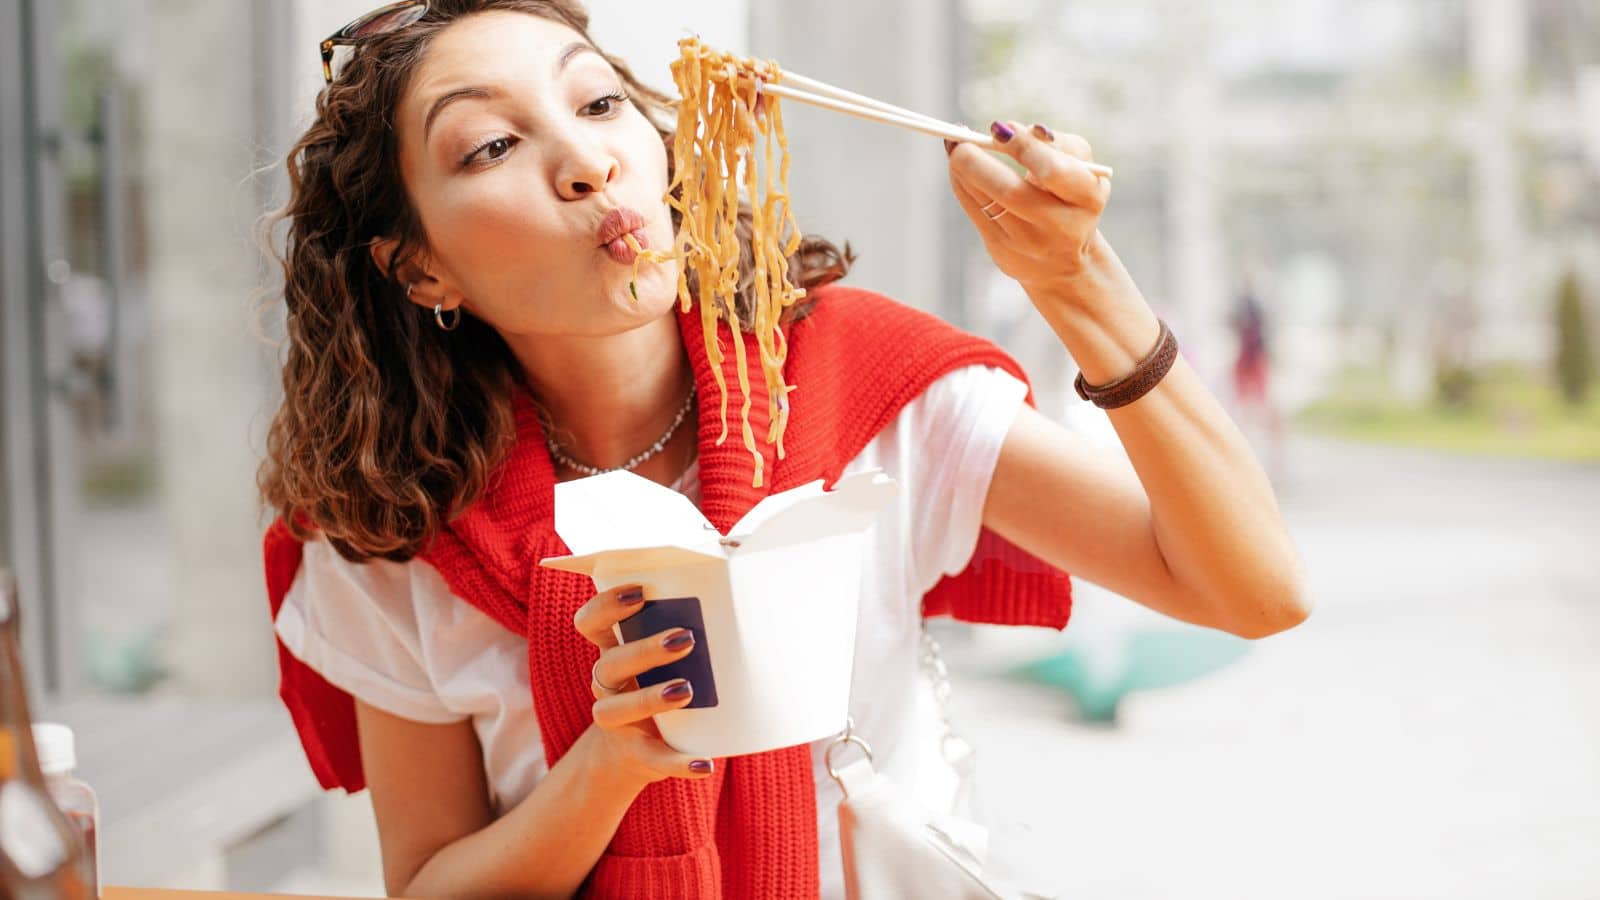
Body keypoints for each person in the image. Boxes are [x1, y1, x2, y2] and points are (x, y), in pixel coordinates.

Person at [257, 2, 1310, 897]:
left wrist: (1077, 283)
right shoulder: (394, 520)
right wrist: (612, 763)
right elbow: (429, 881)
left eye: (599, 103)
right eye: (491, 146)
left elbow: (1252, 593)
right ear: (418, 270)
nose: (586, 162)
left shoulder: (869, 386)